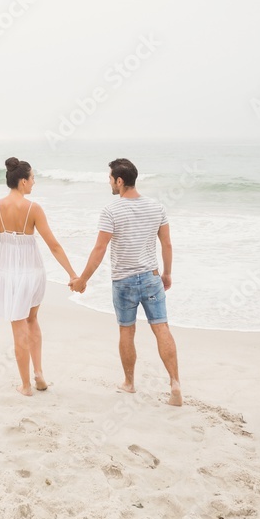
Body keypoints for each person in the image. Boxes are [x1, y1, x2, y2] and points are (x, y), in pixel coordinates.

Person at [69, 158, 182, 406]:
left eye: (110, 178)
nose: (109, 182)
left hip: (124, 281)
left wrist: (82, 281)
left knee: (126, 330)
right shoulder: (157, 207)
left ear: (120, 181)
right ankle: (174, 384)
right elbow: (167, 244)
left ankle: (129, 383)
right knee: (161, 328)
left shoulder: (111, 211)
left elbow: (99, 249)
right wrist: (167, 273)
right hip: (152, 278)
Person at [0, 157, 79, 396]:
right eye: (33, 178)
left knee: (18, 328)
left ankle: (25, 385)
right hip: (34, 272)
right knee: (32, 320)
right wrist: (73, 274)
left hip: (9, 274)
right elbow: (53, 245)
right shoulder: (34, 209)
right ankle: (39, 374)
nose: (34, 182)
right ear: (23, 181)